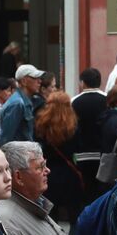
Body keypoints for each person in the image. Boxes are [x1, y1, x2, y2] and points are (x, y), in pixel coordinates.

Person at [34, 90, 84, 223]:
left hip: (48, 171)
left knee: (50, 216)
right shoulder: (73, 125)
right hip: (69, 172)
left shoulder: (41, 124)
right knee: (75, 215)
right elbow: (78, 147)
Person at [71, 68, 108, 199]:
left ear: (82, 83)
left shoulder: (74, 101)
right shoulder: (108, 100)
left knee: (86, 193)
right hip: (104, 155)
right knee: (102, 193)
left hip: (82, 155)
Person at [1, 65, 42, 146]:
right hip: (19, 156)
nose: (39, 81)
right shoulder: (17, 103)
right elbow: (6, 140)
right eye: (35, 78)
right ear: (24, 81)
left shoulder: (28, 101)